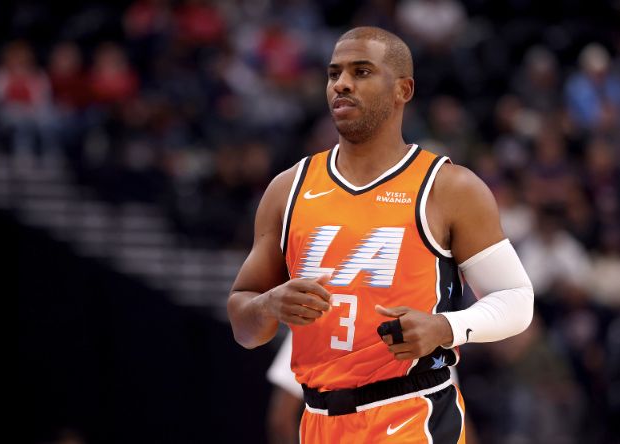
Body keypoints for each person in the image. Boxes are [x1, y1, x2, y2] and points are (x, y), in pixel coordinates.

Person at [228, 26, 534, 443]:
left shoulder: (449, 187)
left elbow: (517, 298)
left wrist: (445, 326)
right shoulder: (288, 188)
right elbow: (244, 325)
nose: (342, 84)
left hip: (412, 413)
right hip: (319, 420)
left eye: (361, 71)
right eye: (334, 74)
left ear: (402, 90)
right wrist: (268, 305)